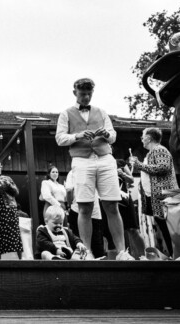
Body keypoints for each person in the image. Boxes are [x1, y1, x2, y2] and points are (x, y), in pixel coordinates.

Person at [55, 78, 134, 261]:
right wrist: (78, 135)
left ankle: (122, 252)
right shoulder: (66, 114)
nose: (86, 97)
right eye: (83, 94)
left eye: (89, 93)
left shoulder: (101, 112)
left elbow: (113, 136)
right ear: (75, 93)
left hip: (105, 158)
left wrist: (107, 134)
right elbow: (60, 139)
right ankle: (87, 252)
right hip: (82, 161)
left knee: (112, 205)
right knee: (85, 207)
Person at [130, 127, 178, 256]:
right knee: (164, 227)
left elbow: (163, 167)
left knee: (168, 227)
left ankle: (176, 254)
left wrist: (139, 165)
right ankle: (173, 254)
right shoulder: (152, 152)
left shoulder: (159, 149)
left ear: (149, 138)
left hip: (164, 197)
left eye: (143, 137)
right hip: (157, 197)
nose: (142, 140)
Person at [65, 167, 105, 259]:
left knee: (78, 244)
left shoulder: (72, 173)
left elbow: (69, 190)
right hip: (95, 211)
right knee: (97, 246)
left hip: (77, 210)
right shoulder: (96, 171)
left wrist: (69, 204)